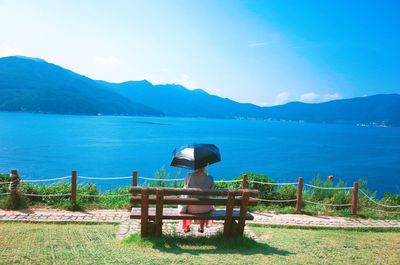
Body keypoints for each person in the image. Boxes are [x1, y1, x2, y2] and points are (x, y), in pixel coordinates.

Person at [180, 166, 215, 233]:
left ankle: (186, 227)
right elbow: (213, 193)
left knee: (185, 204)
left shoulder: (189, 176)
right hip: (206, 208)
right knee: (203, 203)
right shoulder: (210, 178)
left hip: (192, 208)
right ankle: (201, 227)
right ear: (205, 166)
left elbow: (185, 190)